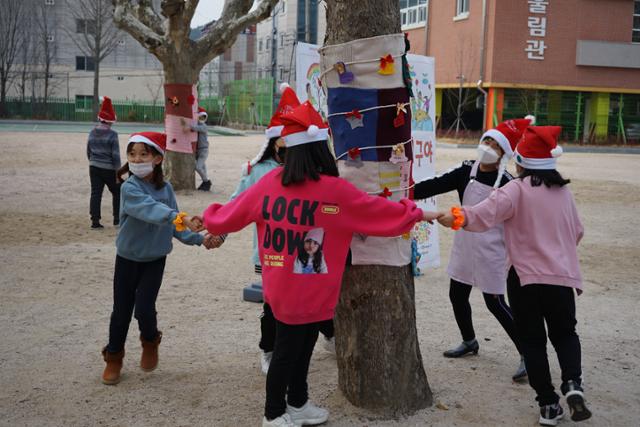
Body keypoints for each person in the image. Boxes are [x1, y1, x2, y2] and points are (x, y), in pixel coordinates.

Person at [193, 101, 441, 427]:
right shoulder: (314, 188)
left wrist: (210, 219)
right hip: (296, 290)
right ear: (320, 151)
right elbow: (378, 212)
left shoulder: (305, 188)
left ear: (290, 153)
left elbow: (230, 213)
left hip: (310, 289)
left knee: (303, 347)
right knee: (286, 353)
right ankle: (273, 413)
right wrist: (419, 213)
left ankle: (297, 403)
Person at [438, 125, 592, 426]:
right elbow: (578, 232)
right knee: (565, 334)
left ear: (519, 162)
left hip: (523, 280)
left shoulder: (514, 189)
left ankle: (548, 405)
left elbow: (480, 215)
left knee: (533, 342)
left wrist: (455, 217)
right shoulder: (564, 194)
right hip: (560, 279)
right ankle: (573, 384)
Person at [220, 84, 336, 376]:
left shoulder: (315, 171)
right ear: (273, 144)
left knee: (311, 295)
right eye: (280, 148)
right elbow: (236, 206)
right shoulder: (257, 172)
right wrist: (218, 230)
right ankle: (268, 349)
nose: (285, 154)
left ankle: (329, 333)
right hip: (270, 254)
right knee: (273, 306)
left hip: (306, 250)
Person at [413, 118, 531, 382]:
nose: (488, 146)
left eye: (495, 145)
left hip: (493, 248)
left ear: (504, 153)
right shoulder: (467, 170)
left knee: (495, 302)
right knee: (457, 294)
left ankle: (528, 354)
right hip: (466, 243)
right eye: (486, 140)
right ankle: (469, 341)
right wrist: (405, 193)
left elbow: (519, 221)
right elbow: (435, 184)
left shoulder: (510, 183)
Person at [100, 132, 214, 385]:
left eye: (143, 154)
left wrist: (201, 239)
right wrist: (180, 216)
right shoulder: (129, 188)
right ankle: (114, 357)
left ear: (158, 158)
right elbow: (151, 210)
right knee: (121, 312)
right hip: (128, 259)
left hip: (155, 260)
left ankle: (150, 341)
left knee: (144, 309)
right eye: (132, 154)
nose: (137, 159)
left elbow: (173, 226)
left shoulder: (166, 188)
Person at [87, 96, 121, 229]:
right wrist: (118, 172)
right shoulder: (113, 134)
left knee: (96, 193)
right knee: (117, 191)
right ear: (110, 120)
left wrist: (93, 161)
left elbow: (88, 150)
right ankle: (117, 219)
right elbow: (116, 156)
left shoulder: (92, 132)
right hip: (109, 168)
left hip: (94, 166)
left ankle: (95, 222)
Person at [183, 107, 211, 191]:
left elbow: (195, 128)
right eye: (200, 117)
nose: (202, 119)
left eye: (203, 117)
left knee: (198, 167)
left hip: (203, 150)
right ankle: (205, 183)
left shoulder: (204, 126)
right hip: (198, 150)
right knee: (202, 167)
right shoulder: (197, 125)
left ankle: (207, 182)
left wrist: (187, 125)